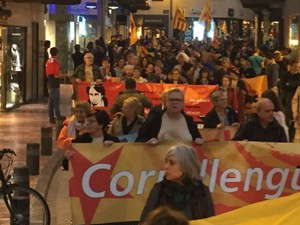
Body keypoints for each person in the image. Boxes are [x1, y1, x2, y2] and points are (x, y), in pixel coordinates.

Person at [140, 145, 214, 222]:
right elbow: (145, 221)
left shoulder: (203, 191)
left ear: (186, 166)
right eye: (166, 162)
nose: (165, 166)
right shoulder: (159, 189)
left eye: (171, 163)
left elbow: (211, 222)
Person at [136, 88, 203, 145]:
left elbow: (198, 139)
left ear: (183, 103)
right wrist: (147, 142)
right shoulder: (154, 120)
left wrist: (198, 140)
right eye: (171, 99)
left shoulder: (189, 120)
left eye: (178, 100)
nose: (175, 102)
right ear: (165, 102)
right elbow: (139, 141)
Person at [57, 101, 90, 170]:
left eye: (81, 112)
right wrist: (72, 141)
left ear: (87, 113)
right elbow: (61, 141)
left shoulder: (92, 125)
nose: (79, 114)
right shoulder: (68, 125)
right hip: (72, 159)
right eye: (77, 112)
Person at [45, 47, 70, 123]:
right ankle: (57, 116)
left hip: (49, 81)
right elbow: (56, 75)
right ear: (57, 53)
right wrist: (67, 75)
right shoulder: (55, 62)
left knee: (51, 101)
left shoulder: (48, 61)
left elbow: (47, 73)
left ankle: (52, 116)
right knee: (56, 101)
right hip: (54, 83)